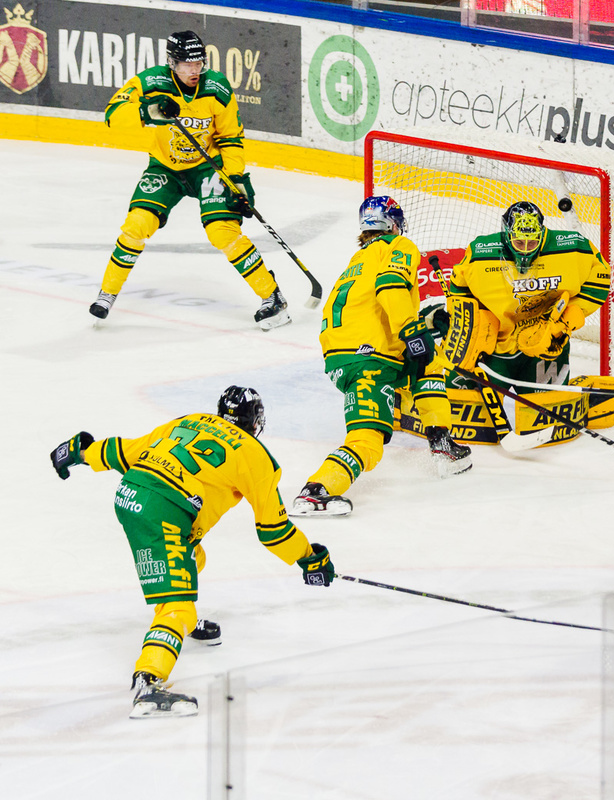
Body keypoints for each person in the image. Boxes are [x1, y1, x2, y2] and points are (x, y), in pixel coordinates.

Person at [49, 386, 335, 718]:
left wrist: (81, 452)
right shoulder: (257, 456)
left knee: (193, 556)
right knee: (176, 608)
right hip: (163, 511)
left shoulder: (190, 421)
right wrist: (307, 557)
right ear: (255, 422)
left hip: (130, 492)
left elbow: (126, 452)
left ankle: (181, 619)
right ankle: (149, 683)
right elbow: (273, 531)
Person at [92, 30, 290, 330]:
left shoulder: (217, 87)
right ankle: (107, 293)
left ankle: (272, 297)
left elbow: (231, 136)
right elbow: (112, 114)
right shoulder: (151, 82)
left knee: (222, 231)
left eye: (198, 63)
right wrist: (149, 110)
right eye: (186, 64)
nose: (194, 70)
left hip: (207, 168)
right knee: (136, 225)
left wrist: (236, 179)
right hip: (165, 168)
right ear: (172, 62)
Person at [292, 197, 471, 517]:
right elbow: (390, 287)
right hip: (368, 359)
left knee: (428, 362)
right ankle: (317, 491)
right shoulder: (397, 244)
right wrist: (412, 330)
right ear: (394, 223)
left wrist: (425, 324)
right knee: (368, 441)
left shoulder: (359, 259)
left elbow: (371, 308)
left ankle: (441, 441)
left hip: (350, 354)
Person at [442, 200, 611, 438]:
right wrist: (471, 326)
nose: (525, 249)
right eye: (519, 242)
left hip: (545, 344)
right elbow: (458, 290)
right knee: (456, 408)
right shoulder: (480, 253)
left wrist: (566, 322)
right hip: (494, 348)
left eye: (532, 242)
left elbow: (600, 277)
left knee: (549, 418)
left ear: (542, 234)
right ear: (507, 234)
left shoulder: (574, 247)